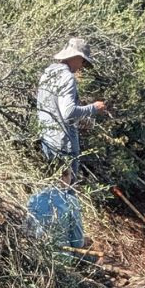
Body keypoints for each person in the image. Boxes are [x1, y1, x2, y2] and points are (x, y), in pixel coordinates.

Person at [37, 39, 109, 185]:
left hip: (48, 140)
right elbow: (68, 112)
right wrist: (93, 108)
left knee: (52, 189)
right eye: (82, 61)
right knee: (65, 192)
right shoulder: (67, 77)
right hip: (63, 145)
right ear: (76, 57)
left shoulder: (48, 73)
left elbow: (53, 109)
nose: (82, 66)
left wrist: (80, 120)